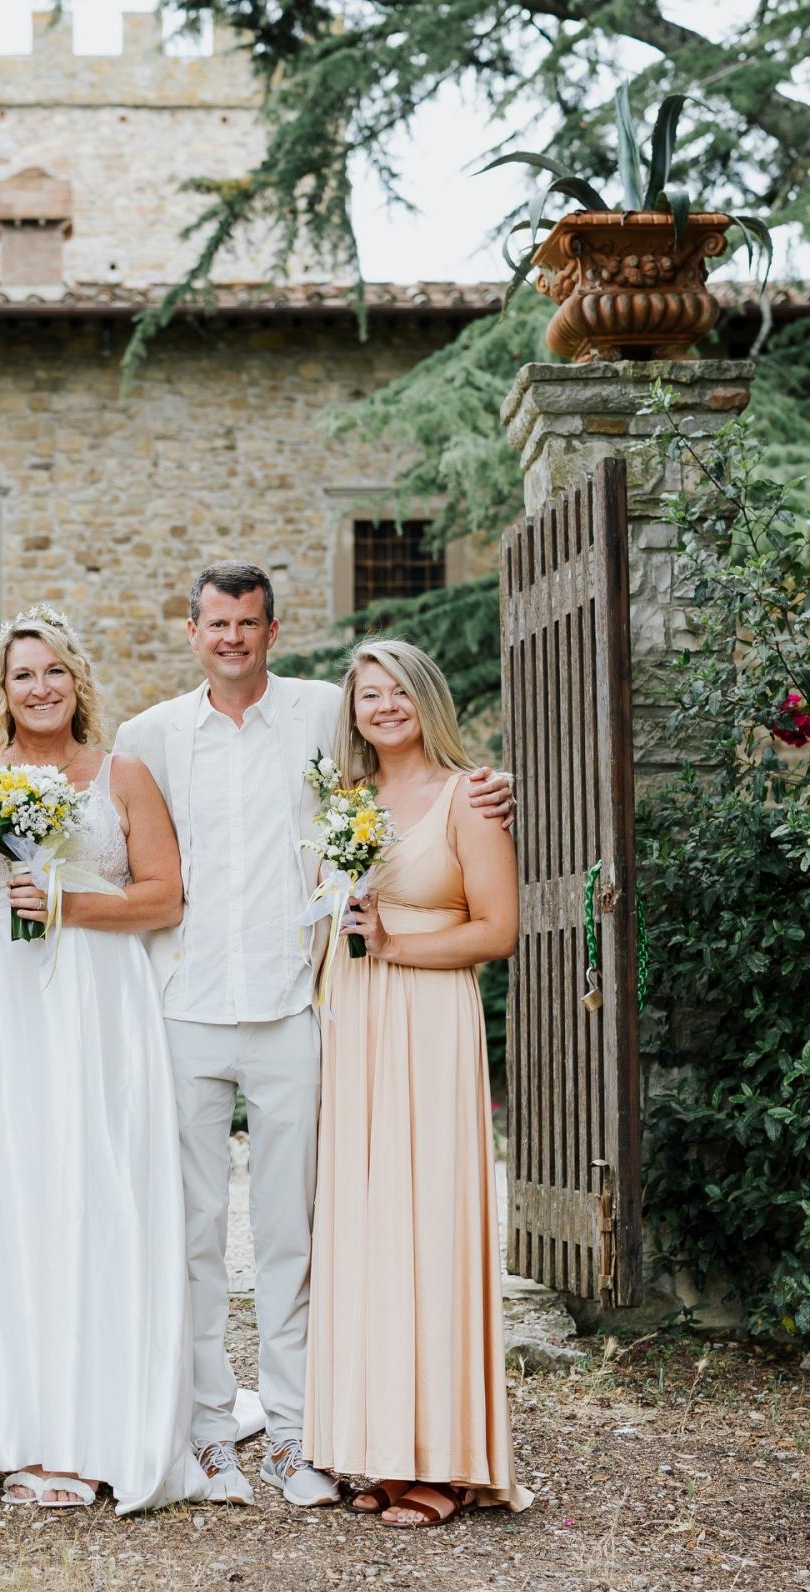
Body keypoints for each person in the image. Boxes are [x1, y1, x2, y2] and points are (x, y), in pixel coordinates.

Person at [111, 562, 514, 1507]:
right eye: (217, 623)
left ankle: (296, 1437)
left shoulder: (318, 723)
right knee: (195, 1235)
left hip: (300, 1008)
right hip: (184, 1009)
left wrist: (493, 786)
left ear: (274, 631)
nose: (233, 638)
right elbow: (101, 826)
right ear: (191, 630)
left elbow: (417, 784)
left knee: (295, 1234)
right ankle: (210, 1433)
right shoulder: (150, 736)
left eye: (249, 623)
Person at [0, 604, 209, 1514]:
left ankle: (96, 1428)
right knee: (4, 1191)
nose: (39, 687)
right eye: (22, 675)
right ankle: (9, 1422)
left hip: (96, 1000)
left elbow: (165, 896)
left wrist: (69, 906)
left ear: (76, 679)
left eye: (53, 671)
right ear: (0, 690)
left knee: (96, 1191)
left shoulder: (120, 774)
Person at [304, 638, 532, 1524]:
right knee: (368, 1232)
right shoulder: (344, 801)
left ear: (426, 699)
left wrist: (397, 945)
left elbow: (498, 931)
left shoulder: (467, 797)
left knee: (431, 1229)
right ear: (353, 711)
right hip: (355, 1018)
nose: (384, 705)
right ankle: (384, 1452)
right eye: (369, 694)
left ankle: (445, 1462)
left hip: (430, 1021)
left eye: (399, 690)